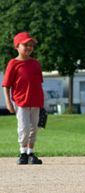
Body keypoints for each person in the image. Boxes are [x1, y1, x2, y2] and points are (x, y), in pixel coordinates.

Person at [2, 32, 44, 164]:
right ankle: (22, 153)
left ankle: (30, 153)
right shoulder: (13, 63)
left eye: (31, 45)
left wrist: (43, 102)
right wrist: (8, 102)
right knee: (24, 128)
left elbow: (38, 83)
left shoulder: (36, 63)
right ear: (17, 46)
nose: (29, 47)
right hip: (21, 101)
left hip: (36, 101)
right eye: (25, 45)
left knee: (34, 128)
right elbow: (6, 85)